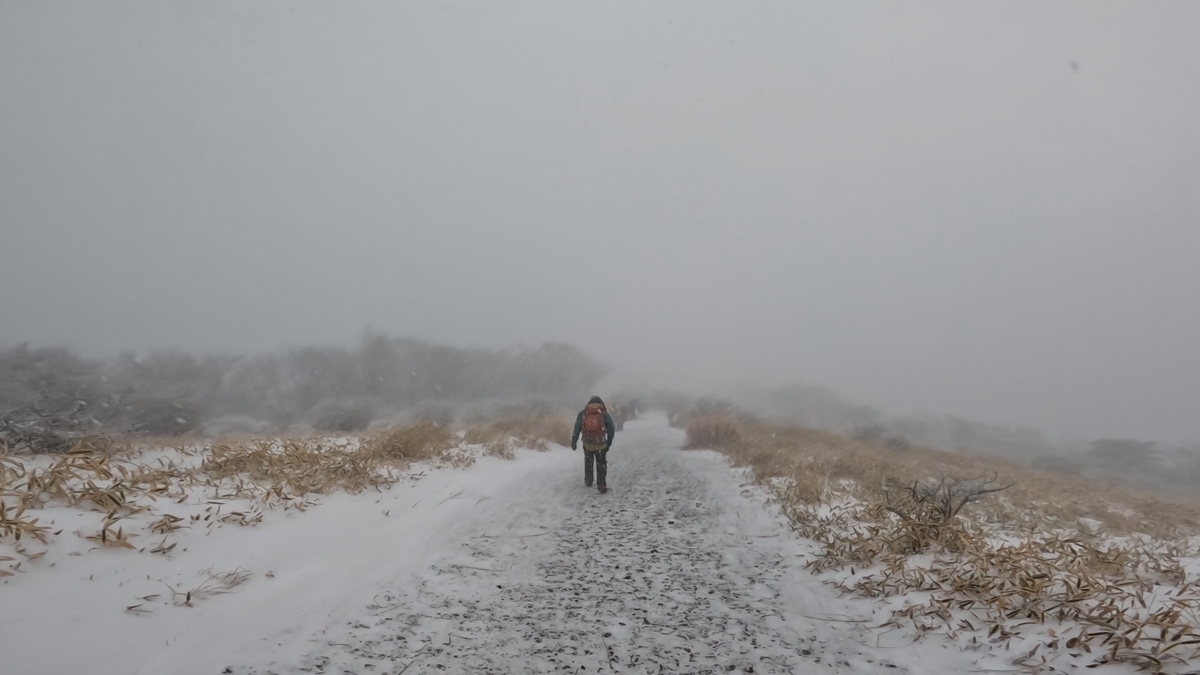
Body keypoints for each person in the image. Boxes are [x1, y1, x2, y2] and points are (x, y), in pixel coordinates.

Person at [571, 395, 616, 493]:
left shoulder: (583, 413)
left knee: (588, 461)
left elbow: (577, 428)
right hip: (601, 443)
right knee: (601, 463)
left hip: (588, 443)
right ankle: (601, 483)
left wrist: (574, 441)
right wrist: (609, 442)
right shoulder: (604, 414)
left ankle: (589, 480)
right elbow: (611, 428)